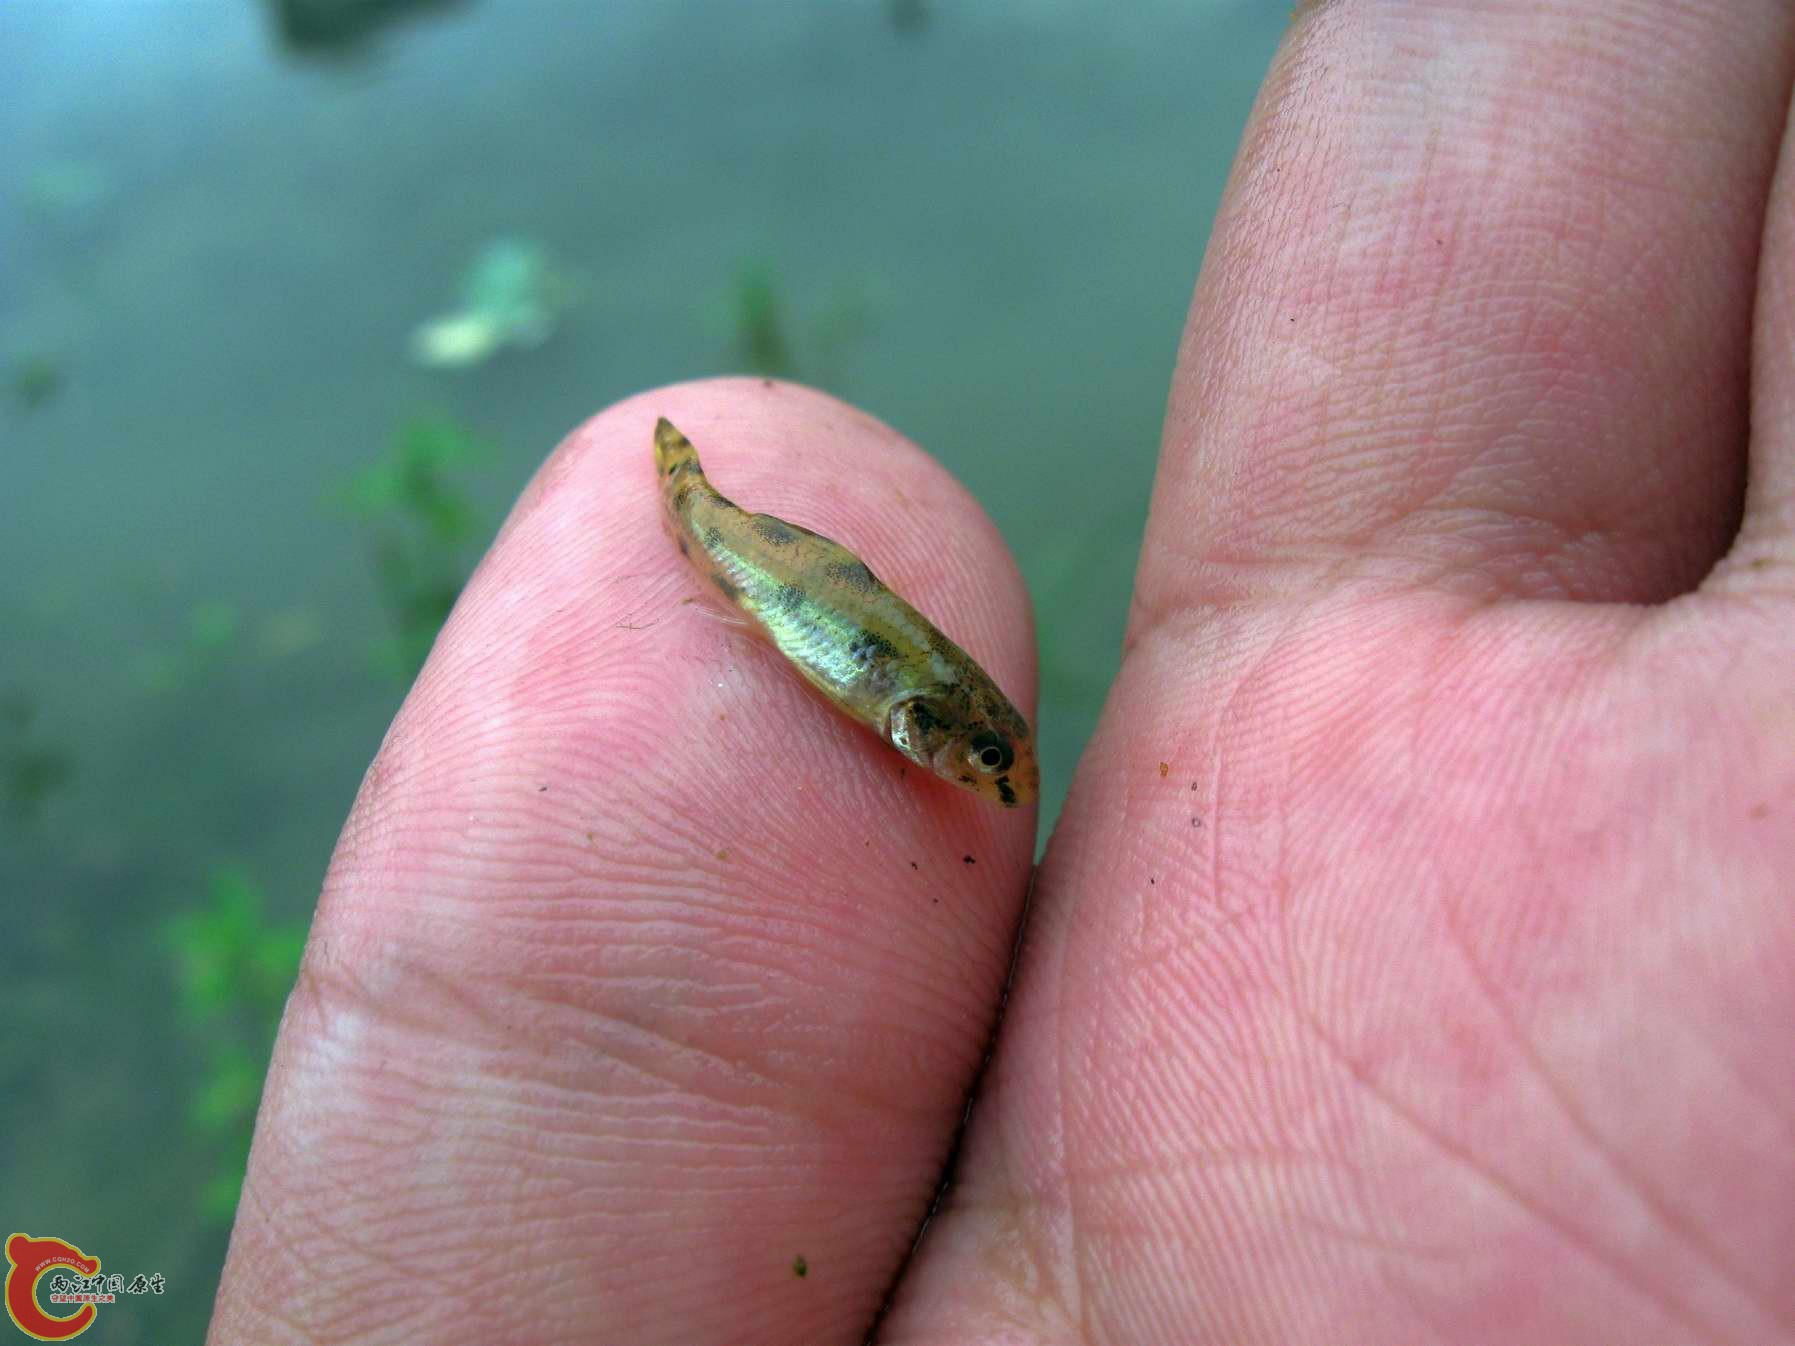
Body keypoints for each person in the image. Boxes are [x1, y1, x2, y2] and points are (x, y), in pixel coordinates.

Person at [209, 2, 1795, 1340]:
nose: (986, 781)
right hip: (776, 583)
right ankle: (686, 491)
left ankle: (692, 484)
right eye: (983, 762)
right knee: (739, 580)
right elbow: (877, 667)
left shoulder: (932, 710)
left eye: (987, 765)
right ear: (944, 736)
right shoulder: (904, 703)